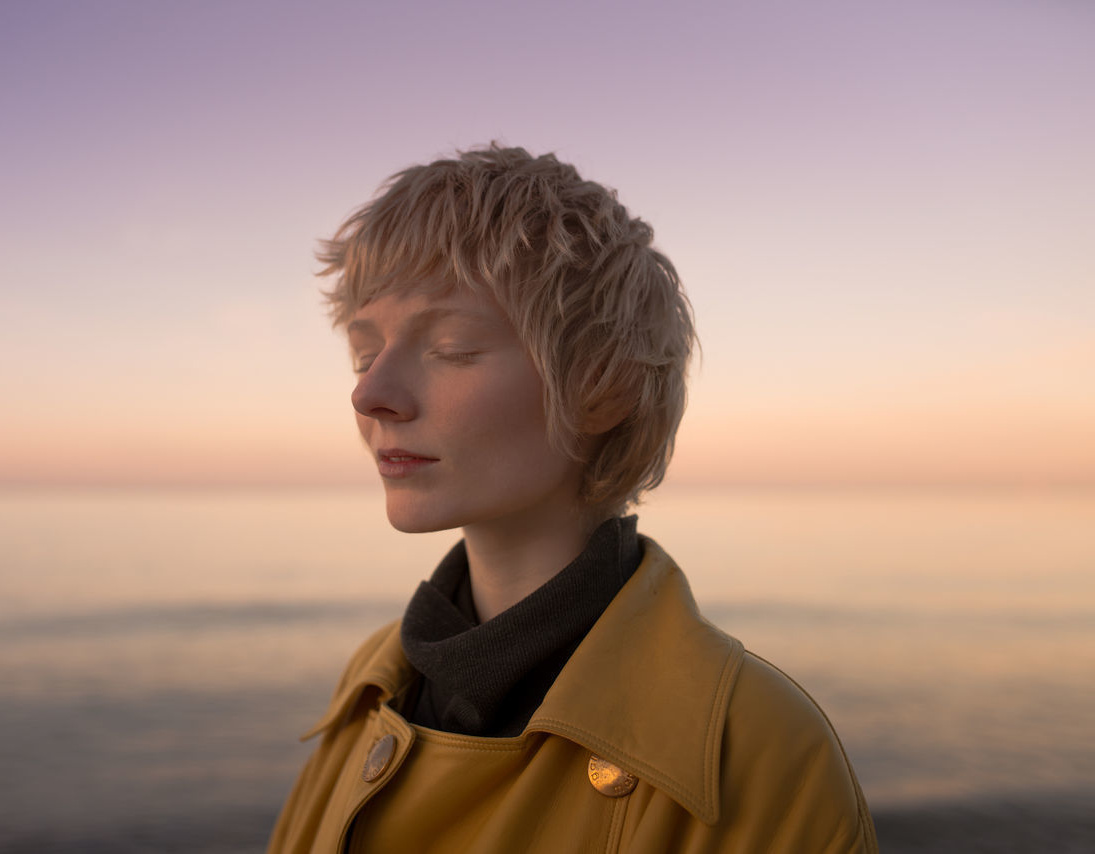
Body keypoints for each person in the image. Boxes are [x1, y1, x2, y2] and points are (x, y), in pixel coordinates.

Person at [267, 144, 877, 853]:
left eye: (454, 346)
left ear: (603, 388)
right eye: (365, 353)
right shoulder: (376, 682)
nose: (369, 394)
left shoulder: (758, 747)